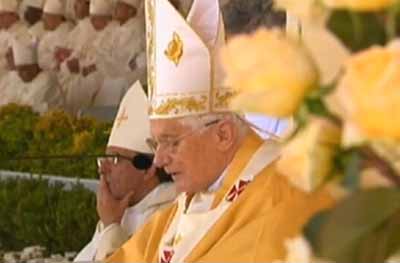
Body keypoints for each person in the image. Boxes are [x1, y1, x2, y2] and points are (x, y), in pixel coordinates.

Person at [106, 0, 335, 262]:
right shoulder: (190, 199)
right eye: (156, 143)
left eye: (171, 142)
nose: (158, 159)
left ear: (223, 135)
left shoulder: (285, 192)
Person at [74, 81, 177, 261]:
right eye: (104, 159)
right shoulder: (120, 209)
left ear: (147, 169)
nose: (103, 169)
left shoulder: (170, 213)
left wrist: (112, 226)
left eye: (115, 159)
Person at [12, 37, 64, 113]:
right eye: (18, 70)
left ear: (34, 67)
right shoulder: (26, 80)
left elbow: (29, 107)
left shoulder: (47, 80)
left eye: (23, 70)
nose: (19, 75)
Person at [38, 0, 73, 71]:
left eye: (46, 16)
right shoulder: (48, 34)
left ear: (56, 18)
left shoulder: (68, 32)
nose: (42, 20)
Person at [0, 0, 29, 78]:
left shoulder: (23, 31)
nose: (0, 19)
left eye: (2, 15)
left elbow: (12, 60)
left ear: (13, 15)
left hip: (10, 75)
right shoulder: (3, 32)